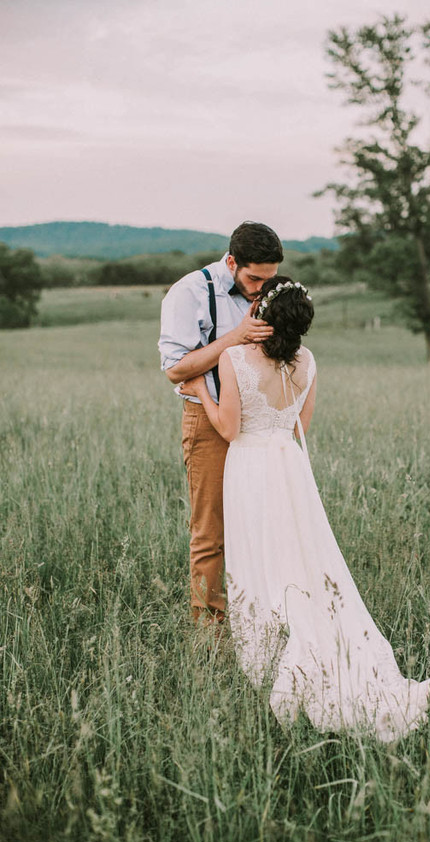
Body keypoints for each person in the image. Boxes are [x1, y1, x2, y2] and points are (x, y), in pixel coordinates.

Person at [181, 276, 430, 743]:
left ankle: (275, 649)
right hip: (290, 469)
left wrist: (201, 391)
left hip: (252, 469)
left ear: (262, 314)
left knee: (261, 558)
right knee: (301, 557)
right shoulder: (309, 362)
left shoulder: (235, 358)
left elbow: (230, 429)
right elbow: (301, 427)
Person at [158, 222, 284, 626]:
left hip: (259, 425)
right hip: (207, 421)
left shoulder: (266, 288)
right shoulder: (188, 293)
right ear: (231, 261)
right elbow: (176, 370)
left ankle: (260, 625)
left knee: (260, 526)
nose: (262, 287)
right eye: (254, 278)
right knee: (211, 534)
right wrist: (236, 336)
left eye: (270, 278)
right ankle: (210, 641)